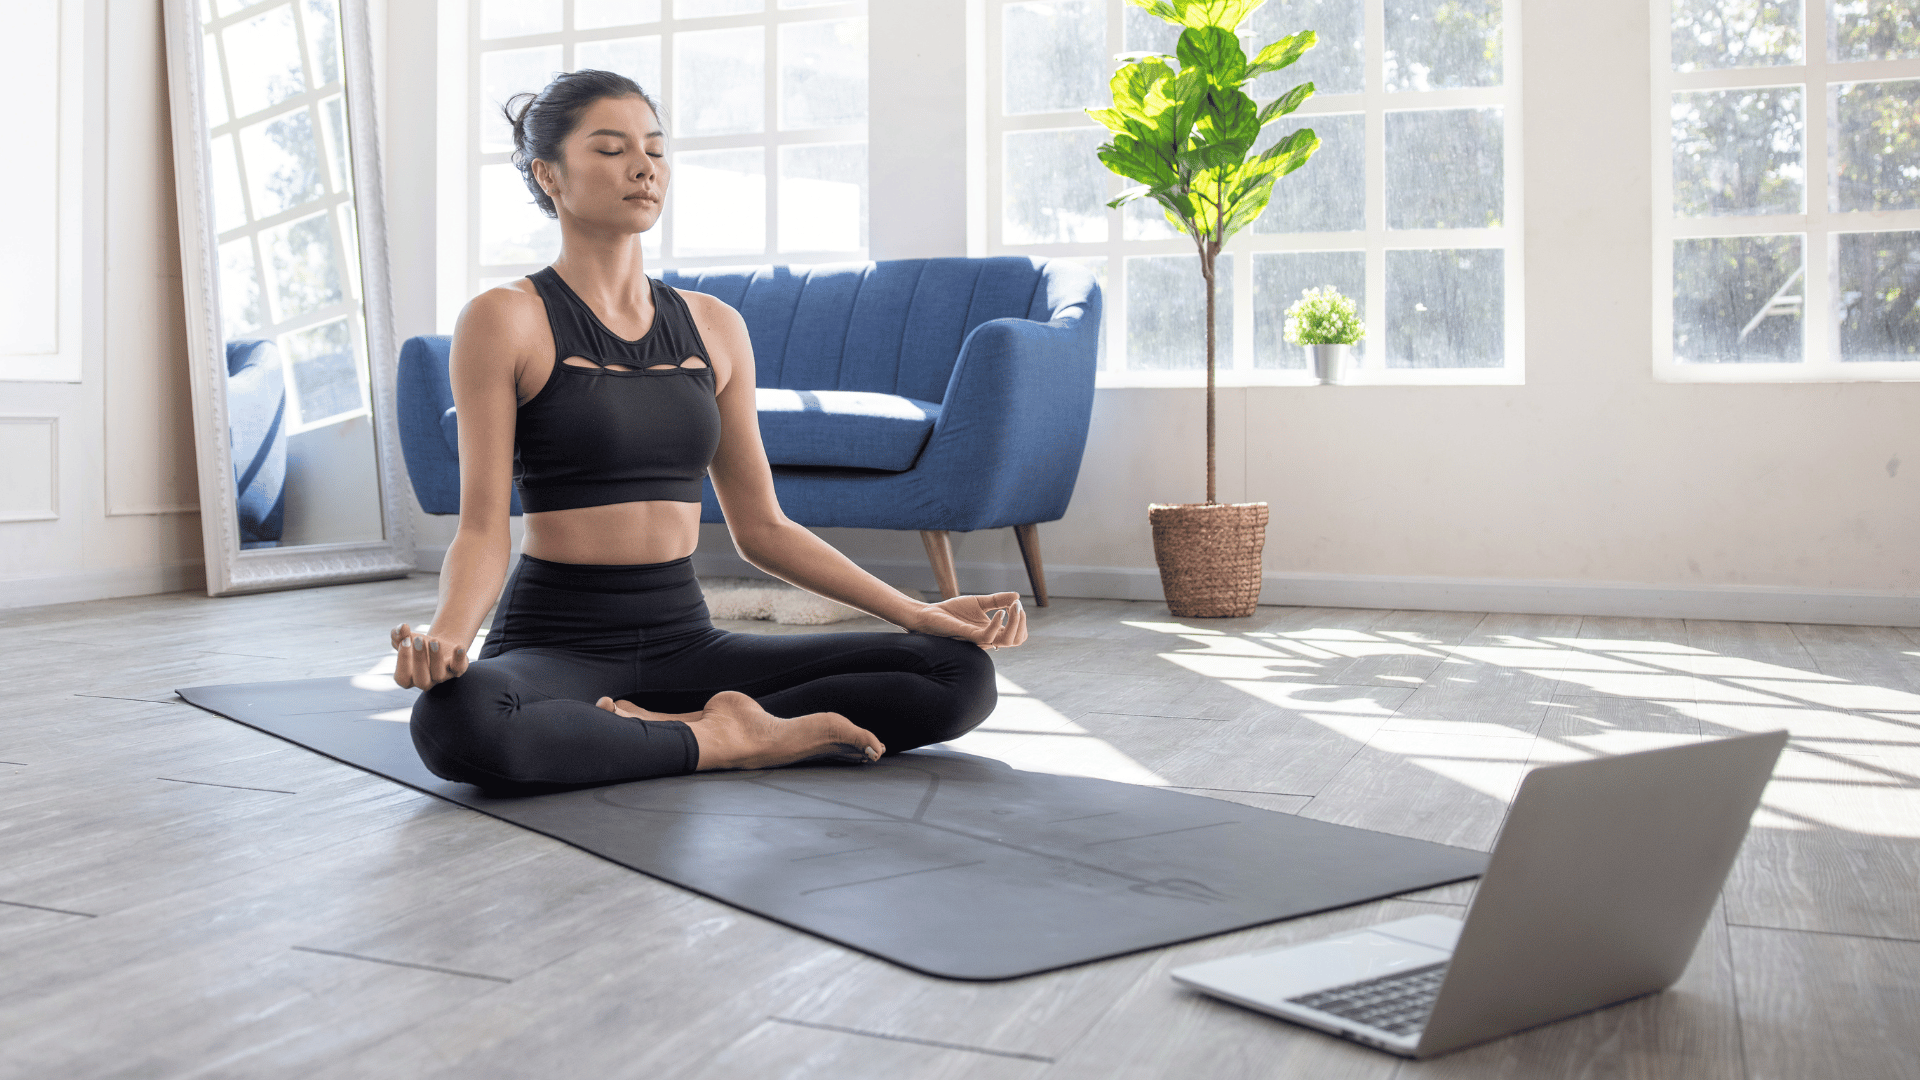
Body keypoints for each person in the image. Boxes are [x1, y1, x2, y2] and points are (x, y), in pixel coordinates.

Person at [392, 70, 1023, 793]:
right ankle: (721, 736)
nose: (642, 168)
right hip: (559, 643)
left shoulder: (715, 325)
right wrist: (448, 636)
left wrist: (920, 612)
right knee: (459, 721)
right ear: (549, 175)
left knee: (956, 672)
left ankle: (681, 732)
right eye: (610, 149)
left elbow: (764, 529)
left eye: (655, 151)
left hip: (685, 639)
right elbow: (481, 530)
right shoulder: (505, 318)